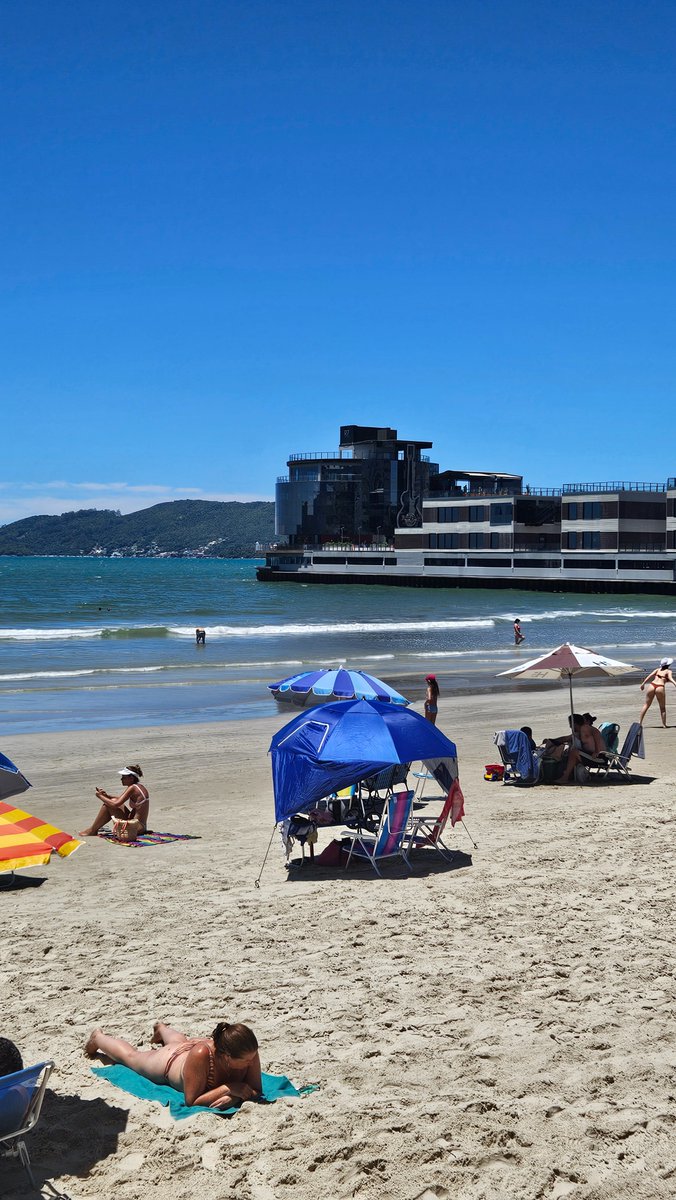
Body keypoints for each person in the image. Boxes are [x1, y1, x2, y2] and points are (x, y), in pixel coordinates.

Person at [84, 1020, 261, 1109]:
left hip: (190, 1051)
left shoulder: (248, 1051)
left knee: (180, 1041)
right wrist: (228, 1088)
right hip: (169, 1062)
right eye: (246, 1061)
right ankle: (98, 1038)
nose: (251, 1062)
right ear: (228, 1057)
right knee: (131, 1057)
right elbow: (192, 1101)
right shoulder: (202, 1056)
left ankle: (161, 1028)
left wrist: (236, 1096)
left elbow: (255, 1090)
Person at [78, 765, 149, 841]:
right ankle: (93, 829)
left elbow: (115, 805)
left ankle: (92, 830)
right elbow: (119, 799)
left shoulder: (132, 788)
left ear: (131, 778)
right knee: (113, 800)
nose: (121, 779)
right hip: (139, 825)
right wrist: (106, 796)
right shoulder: (137, 786)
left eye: (124, 777)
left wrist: (100, 796)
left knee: (107, 805)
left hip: (136, 828)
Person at [639, 658, 676, 727]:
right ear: (669, 664)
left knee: (646, 705)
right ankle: (664, 725)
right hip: (660, 687)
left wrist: (643, 683)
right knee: (662, 707)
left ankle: (640, 722)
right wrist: (675, 684)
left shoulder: (657, 670)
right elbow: (671, 679)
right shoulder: (668, 671)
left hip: (652, 685)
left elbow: (649, 676)